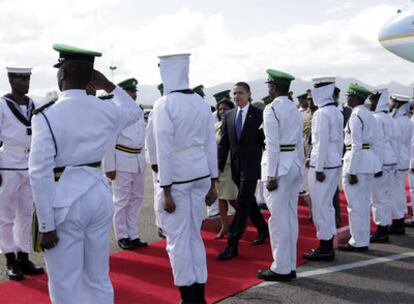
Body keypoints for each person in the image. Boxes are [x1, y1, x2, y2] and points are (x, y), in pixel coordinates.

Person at [29, 44, 141, 304]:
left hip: (65, 201)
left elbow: (39, 173)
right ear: (92, 77)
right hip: (98, 195)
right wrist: (109, 85)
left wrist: (46, 225)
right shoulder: (106, 108)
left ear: (63, 74)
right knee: (98, 276)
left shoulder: (46, 115)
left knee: (65, 282)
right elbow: (135, 111)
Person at [152, 53, 218, 304]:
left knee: (177, 241)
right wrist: (213, 181)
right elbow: (211, 145)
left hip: (177, 178)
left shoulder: (164, 104)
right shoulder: (201, 102)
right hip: (200, 172)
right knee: (193, 236)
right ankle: (199, 295)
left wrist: (165, 189)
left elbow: (165, 149)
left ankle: (187, 297)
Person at [256, 69, 303, 282]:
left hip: (279, 167)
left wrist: (271, 174)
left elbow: (273, 145)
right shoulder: (294, 107)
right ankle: (289, 265)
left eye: (269, 86)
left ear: (274, 87)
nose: (268, 89)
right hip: (293, 163)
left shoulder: (271, 109)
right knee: (290, 217)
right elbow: (299, 141)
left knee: (278, 220)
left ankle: (281, 268)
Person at [0, 67, 44, 281]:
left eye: (28, 78)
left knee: (26, 213)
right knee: (6, 215)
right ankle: (9, 258)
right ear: (11, 80)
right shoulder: (2, 104)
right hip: (8, 162)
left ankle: (23, 255)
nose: (26, 82)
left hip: (29, 164)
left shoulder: (33, 104)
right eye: (21, 79)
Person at [216, 82, 268, 261]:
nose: (237, 96)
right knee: (249, 201)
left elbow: (265, 143)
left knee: (243, 201)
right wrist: (218, 166)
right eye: (235, 93)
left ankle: (232, 243)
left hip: (252, 166)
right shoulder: (229, 116)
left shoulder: (259, 115)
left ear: (249, 94)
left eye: (240, 93)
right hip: (236, 168)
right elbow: (224, 144)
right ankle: (263, 229)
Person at [103, 78, 147, 250]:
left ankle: (133, 234)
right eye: (130, 92)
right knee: (121, 201)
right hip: (121, 160)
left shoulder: (137, 111)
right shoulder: (116, 112)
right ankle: (122, 235)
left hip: (137, 160)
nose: (133, 95)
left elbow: (140, 140)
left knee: (136, 199)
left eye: (135, 92)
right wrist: (110, 166)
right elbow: (109, 141)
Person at [303, 77, 343, 261]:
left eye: (318, 87)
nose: (315, 91)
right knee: (326, 205)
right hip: (333, 162)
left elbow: (321, 142)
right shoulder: (336, 111)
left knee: (320, 206)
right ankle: (327, 244)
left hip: (324, 165)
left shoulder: (321, 113)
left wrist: (316, 166)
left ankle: (325, 246)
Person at [339, 83, 381, 252]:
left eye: (349, 95)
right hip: (367, 160)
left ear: (355, 97)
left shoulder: (356, 116)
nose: (347, 97)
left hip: (357, 161)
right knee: (363, 204)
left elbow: (355, 145)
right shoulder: (369, 114)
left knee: (355, 206)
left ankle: (357, 241)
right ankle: (362, 239)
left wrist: (352, 170)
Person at [369, 89, 397, 243]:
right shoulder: (390, 118)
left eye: (373, 100)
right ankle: (384, 227)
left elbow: (377, 144)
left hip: (382, 162)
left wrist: (377, 166)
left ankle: (381, 230)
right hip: (391, 160)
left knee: (378, 198)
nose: (371, 103)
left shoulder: (377, 119)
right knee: (386, 195)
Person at [214, 98, 238, 239]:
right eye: (220, 109)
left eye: (225, 109)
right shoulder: (216, 126)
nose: (222, 112)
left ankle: (244, 219)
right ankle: (225, 227)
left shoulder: (235, 125)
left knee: (232, 198)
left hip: (230, 166)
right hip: (218, 167)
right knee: (221, 198)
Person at [389, 94, 413, 235]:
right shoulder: (407, 121)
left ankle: (397, 222)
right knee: (399, 192)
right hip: (403, 159)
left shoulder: (397, 122)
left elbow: (394, 143)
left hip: (397, 160)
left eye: (392, 102)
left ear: (397, 104)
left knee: (395, 192)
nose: (390, 104)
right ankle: (399, 220)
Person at [146, 83, 165, 239]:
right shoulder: (156, 110)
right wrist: (154, 161)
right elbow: (150, 139)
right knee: (160, 194)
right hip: (159, 160)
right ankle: (161, 225)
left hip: (171, 159)